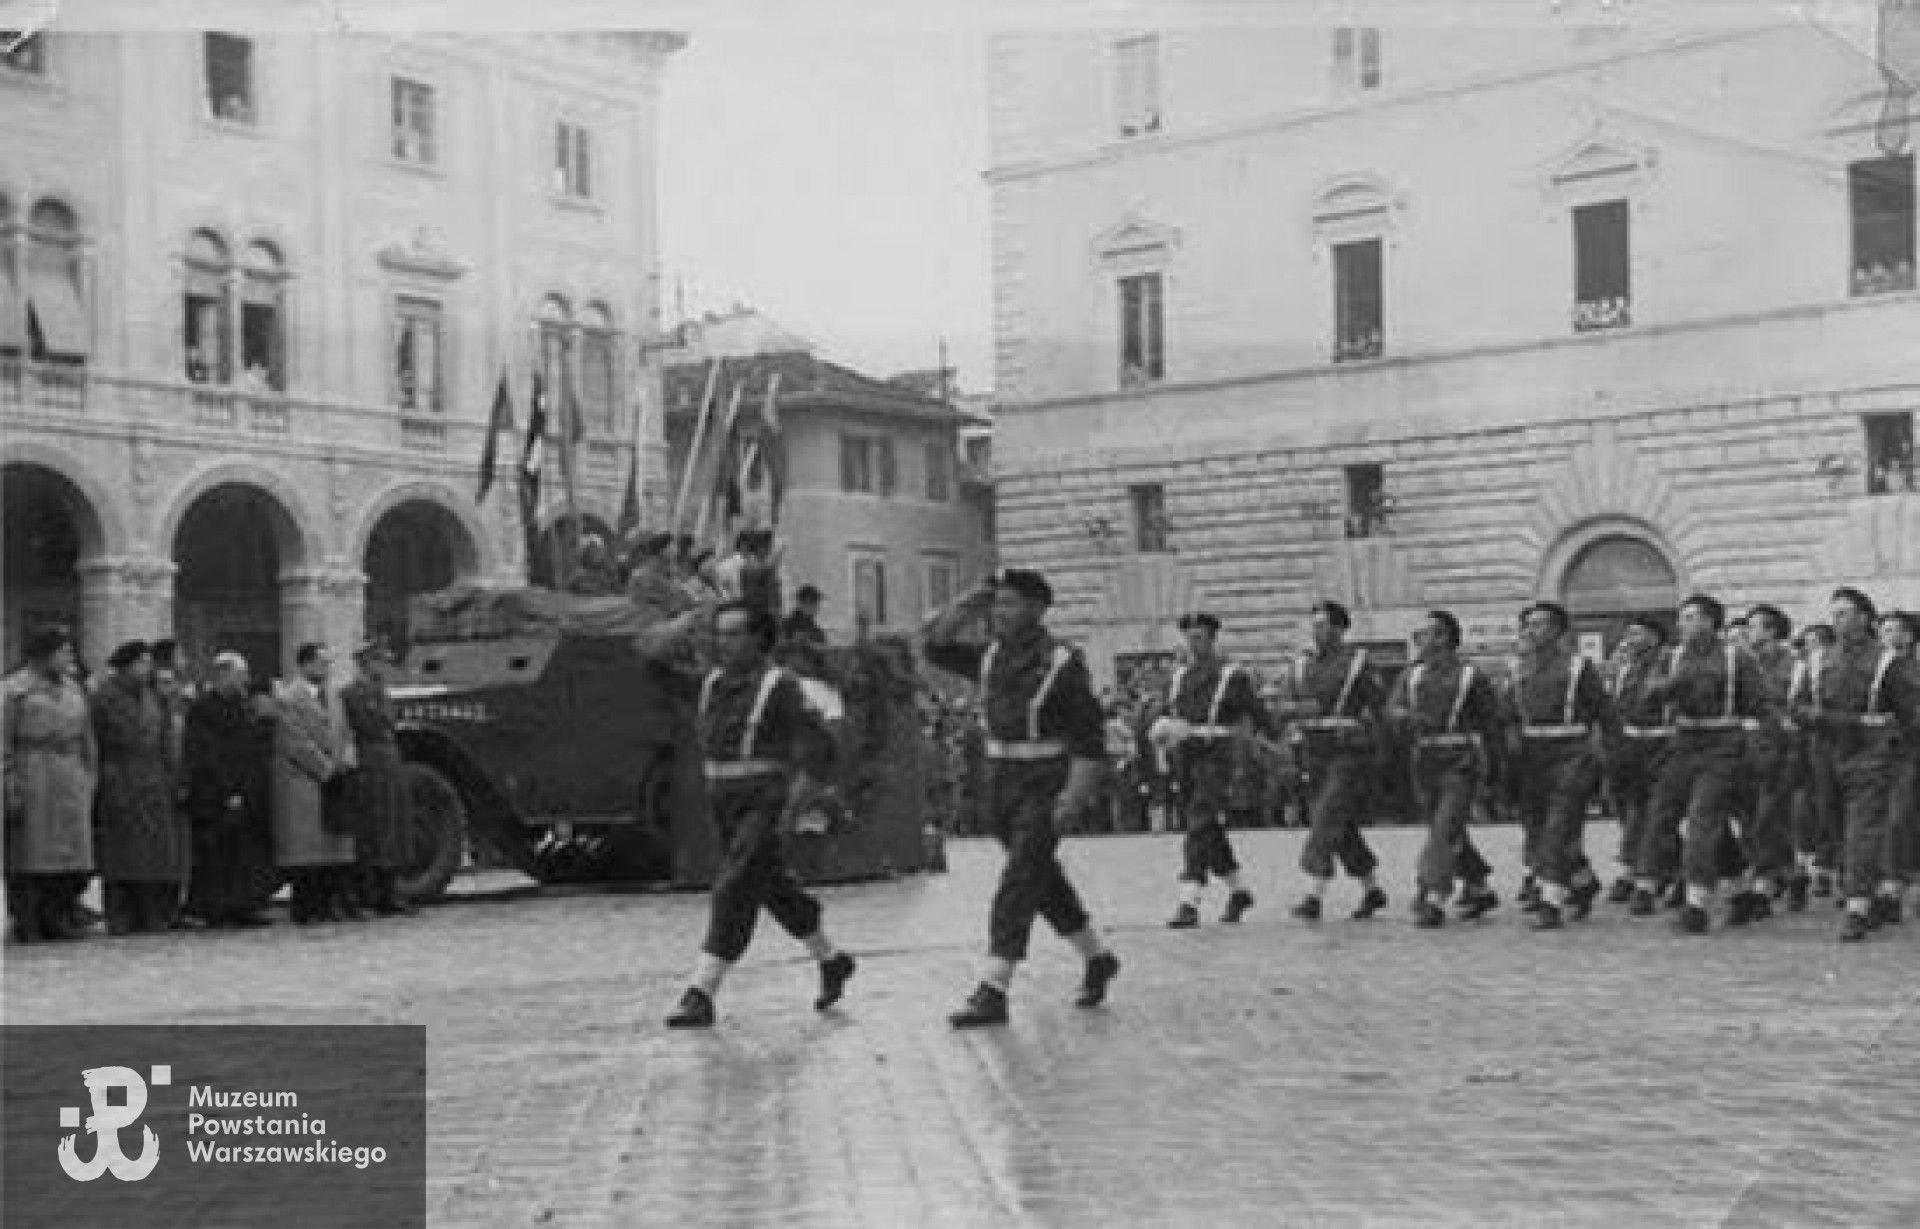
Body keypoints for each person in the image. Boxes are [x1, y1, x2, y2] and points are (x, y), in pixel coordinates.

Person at [924, 570, 1118, 1029]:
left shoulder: (1061, 662)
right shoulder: (991, 655)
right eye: (998, 605)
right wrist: (969, 602)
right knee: (1040, 878)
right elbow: (934, 645)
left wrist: (1074, 796)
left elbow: (1090, 738)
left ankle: (993, 986)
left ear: (1036, 609)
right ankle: (1097, 957)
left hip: (1045, 780)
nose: (1000, 613)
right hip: (1000, 781)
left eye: (1009, 604)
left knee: (1019, 879)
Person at [664, 602, 856, 1028]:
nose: (723, 642)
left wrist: (798, 802)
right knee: (770, 885)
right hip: (723, 801)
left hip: (764, 801)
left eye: (734, 634)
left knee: (734, 885)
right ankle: (832, 959)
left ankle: (701, 991)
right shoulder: (712, 683)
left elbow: (822, 747)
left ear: (758, 640)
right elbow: (651, 660)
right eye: (720, 633)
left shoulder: (779, 686)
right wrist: (682, 624)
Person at [1793, 589, 1917, 941]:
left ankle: (1857, 907)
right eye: (1834, 614)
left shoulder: (1887, 662)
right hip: (1828, 754)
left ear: (1865, 617)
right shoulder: (1818, 660)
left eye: (1845, 613)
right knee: (1837, 828)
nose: (1837, 621)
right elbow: (1797, 707)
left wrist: (1896, 749)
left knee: (1862, 828)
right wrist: (1812, 716)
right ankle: (1876, 891)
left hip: (1871, 753)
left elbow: (1910, 715)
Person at [1156, 612, 1275, 928]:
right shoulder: (1179, 675)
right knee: (1207, 828)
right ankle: (1239, 891)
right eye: (1190, 637)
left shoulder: (1230, 675)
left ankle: (1189, 901)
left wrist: (1276, 738)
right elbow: (1167, 712)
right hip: (1185, 756)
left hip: (1217, 757)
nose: (1194, 643)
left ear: (1212, 639)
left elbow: (1255, 710)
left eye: (1200, 637)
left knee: (1198, 823)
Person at [1385, 610, 1503, 928]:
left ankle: (1432, 895)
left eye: (1422, 635)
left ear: (1443, 637)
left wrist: (1496, 771)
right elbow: (1392, 709)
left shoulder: (1470, 677)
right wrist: (1401, 717)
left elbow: (1493, 724)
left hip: (1460, 761)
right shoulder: (1411, 676)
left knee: (1444, 827)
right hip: (1424, 763)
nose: (1418, 642)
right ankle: (1478, 886)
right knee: (1447, 828)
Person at [1274, 600, 1390, 922]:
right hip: (1312, 755)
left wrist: (1379, 753)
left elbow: (1380, 708)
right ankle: (1371, 889)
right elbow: (1283, 704)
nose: (1317, 631)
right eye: (1314, 625)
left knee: (1325, 819)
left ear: (1340, 629)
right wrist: (1291, 713)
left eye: (1323, 625)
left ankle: (1314, 895)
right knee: (1341, 826)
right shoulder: (1300, 665)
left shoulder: (1357, 663)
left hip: (1347, 754)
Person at [1505, 601, 1617, 930]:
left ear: (1557, 630)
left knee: (1559, 826)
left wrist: (1614, 757)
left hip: (1572, 755)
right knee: (1538, 830)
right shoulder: (1518, 669)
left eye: (1539, 624)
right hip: (1531, 758)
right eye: (1527, 624)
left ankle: (1550, 901)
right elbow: (1506, 715)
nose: (1531, 630)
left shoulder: (1578, 668)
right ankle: (1581, 879)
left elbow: (1605, 713)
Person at [3, 627, 97, 942]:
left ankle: (61, 914)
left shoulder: (74, 689)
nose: (68, 658)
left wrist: (88, 777)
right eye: (63, 652)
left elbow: (87, 738)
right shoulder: (14, 691)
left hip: (69, 775)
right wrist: (10, 785)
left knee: (73, 855)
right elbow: (4, 743)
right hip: (34, 773)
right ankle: (30, 919)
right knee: (32, 854)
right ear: (43, 655)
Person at [91, 641, 189, 934]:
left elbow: (165, 739)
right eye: (142, 664)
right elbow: (94, 740)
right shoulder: (103, 697)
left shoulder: (153, 697)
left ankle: (151, 913)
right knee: (120, 854)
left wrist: (173, 778)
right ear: (125, 666)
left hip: (153, 777)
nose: (148, 670)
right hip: (119, 776)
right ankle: (121, 915)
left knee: (153, 853)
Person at [182, 652, 275, 927]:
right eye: (240, 674)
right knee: (217, 856)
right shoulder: (203, 709)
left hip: (247, 792)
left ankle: (244, 905)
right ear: (223, 675)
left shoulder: (242, 706)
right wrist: (227, 790)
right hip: (217, 795)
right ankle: (214, 908)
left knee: (245, 855)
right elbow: (207, 755)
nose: (245, 680)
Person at [273, 643, 356, 924]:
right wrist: (325, 767)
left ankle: (329, 904)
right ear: (305, 665)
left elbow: (344, 732)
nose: (326, 668)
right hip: (304, 781)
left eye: (328, 663)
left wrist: (344, 760)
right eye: (321, 663)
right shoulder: (288, 698)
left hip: (335, 779)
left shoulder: (334, 696)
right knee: (306, 853)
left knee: (333, 847)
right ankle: (306, 908)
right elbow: (293, 740)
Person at [341, 640, 415, 917]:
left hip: (389, 761)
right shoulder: (352, 694)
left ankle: (389, 892)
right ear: (365, 662)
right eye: (378, 661)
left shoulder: (382, 692)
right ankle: (369, 894)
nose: (383, 666)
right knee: (373, 831)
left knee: (393, 828)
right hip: (370, 762)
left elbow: (389, 724)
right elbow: (367, 725)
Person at [1738, 604, 1801, 918]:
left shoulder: (1792, 664)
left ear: (1772, 630)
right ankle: (1791, 873)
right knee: (1754, 818)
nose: (1749, 634)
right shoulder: (1744, 663)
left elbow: (1788, 703)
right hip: (1747, 750)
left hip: (1780, 748)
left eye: (1754, 627)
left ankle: (1762, 883)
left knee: (1768, 815)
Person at [1606, 616, 1672, 909]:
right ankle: (1654, 867)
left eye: (1637, 633)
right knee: (1631, 810)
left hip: (1665, 745)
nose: (1630, 639)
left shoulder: (1670, 662)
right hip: (1630, 749)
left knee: (1655, 813)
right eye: (1629, 633)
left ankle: (1643, 877)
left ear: (1655, 637)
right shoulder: (1625, 667)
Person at [1878, 610, 1918, 923]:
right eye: (1884, 630)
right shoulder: (1880, 667)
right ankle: (1892, 886)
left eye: (1893, 630)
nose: (1887, 635)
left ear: (1909, 635)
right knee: (1896, 817)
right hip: (1895, 752)